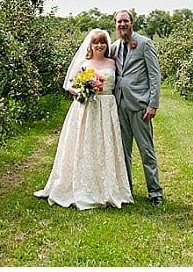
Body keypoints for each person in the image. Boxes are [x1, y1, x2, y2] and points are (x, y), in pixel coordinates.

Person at [34, 28, 133, 210]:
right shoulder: (84, 62)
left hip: (107, 107)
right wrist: (81, 90)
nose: (99, 45)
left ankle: (107, 186)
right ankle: (81, 185)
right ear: (91, 44)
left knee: (105, 145)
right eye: (96, 42)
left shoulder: (112, 63)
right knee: (85, 144)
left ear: (106, 44)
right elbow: (69, 84)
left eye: (102, 42)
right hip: (87, 107)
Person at [111, 9, 164, 206]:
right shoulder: (114, 47)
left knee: (146, 150)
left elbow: (154, 76)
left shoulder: (144, 43)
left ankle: (155, 192)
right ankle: (127, 191)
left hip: (140, 106)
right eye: (119, 22)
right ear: (115, 24)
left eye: (125, 21)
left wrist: (153, 103)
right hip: (120, 105)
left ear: (132, 22)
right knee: (123, 151)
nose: (122, 24)